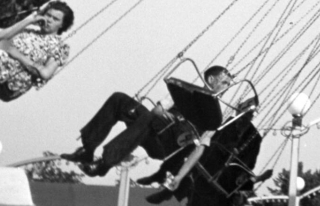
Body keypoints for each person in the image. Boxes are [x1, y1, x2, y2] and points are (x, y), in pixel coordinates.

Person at [60, 65, 233, 177]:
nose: (226, 88)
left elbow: (200, 148)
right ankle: (88, 149)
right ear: (211, 80)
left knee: (150, 119)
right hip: (155, 127)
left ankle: (105, 163)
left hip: (167, 144)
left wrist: (179, 175)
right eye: (225, 83)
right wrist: (166, 114)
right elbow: (158, 109)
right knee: (119, 99)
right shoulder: (185, 92)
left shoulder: (214, 116)